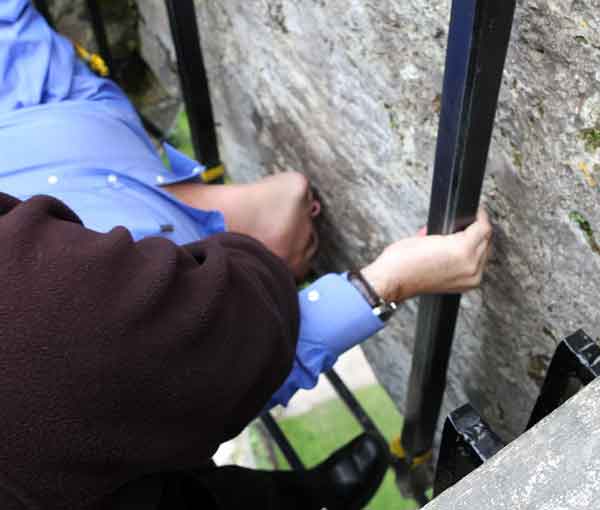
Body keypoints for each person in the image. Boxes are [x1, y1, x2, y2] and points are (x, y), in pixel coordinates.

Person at [0, 1, 493, 509]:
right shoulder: (84, 337)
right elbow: (205, 372)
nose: (306, 192)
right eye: (292, 264)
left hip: (44, 104)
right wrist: (383, 284)